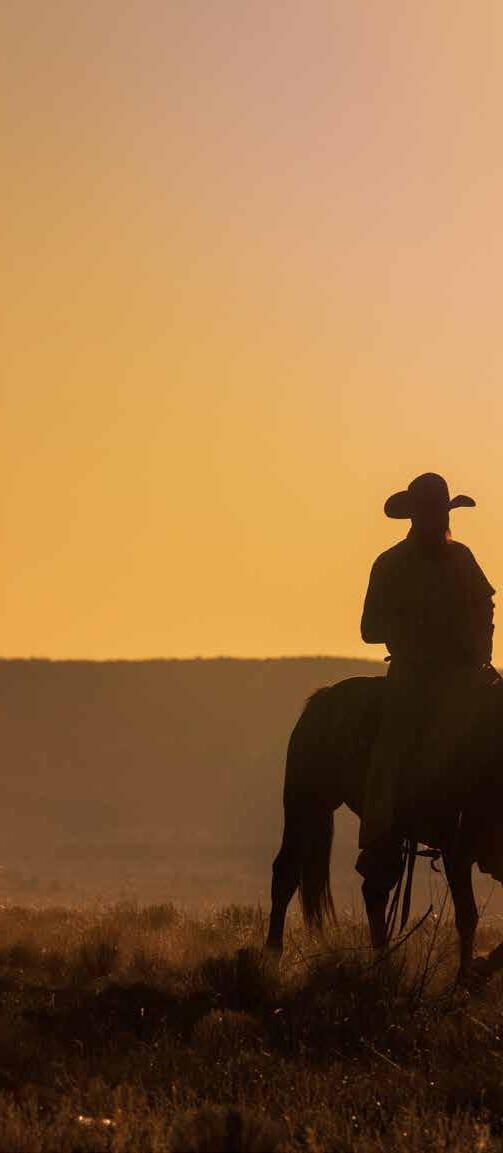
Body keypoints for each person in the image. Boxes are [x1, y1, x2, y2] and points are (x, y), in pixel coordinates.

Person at [358, 472, 495, 858]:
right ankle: (379, 841)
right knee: (391, 748)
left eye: (442, 513)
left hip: (465, 673)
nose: (439, 521)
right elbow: (369, 629)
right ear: (415, 517)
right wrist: (413, 631)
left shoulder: (462, 558)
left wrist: (481, 650)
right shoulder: (390, 564)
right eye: (432, 513)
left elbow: (485, 605)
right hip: (412, 677)